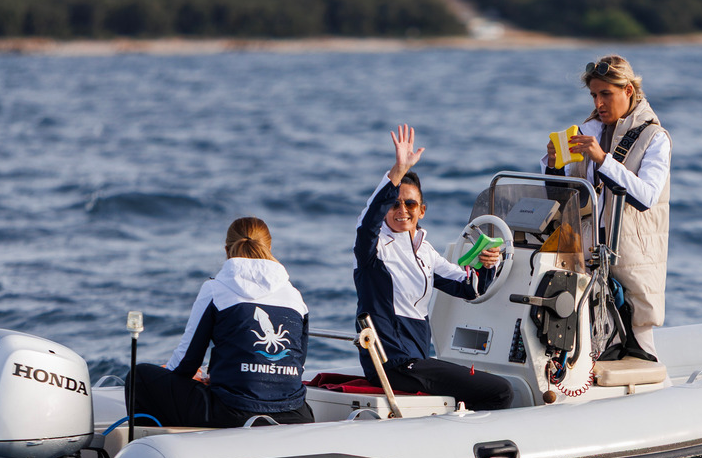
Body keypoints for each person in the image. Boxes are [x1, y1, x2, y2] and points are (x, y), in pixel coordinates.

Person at [353, 124, 513, 410]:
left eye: (410, 204)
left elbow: (470, 288)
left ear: (422, 210)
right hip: (392, 363)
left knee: (489, 388)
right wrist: (398, 170)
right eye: (394, 204)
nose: (402, 210)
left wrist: (489, 262)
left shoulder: (425, 252)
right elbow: (367, 221)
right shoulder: (374, 248)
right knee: (500, 391)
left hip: (415, 362)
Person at [542, 55, 671, 362]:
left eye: (606, 94)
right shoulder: (586, 132)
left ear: (629, 90)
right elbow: (563, 199)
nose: (598, 103)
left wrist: (602, 160)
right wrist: (553, 165)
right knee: (583, 338)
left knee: (639, 339)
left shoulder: (656, 138)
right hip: (586, 254)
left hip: (633, 256)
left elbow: (645, 196)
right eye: (594, 95)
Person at [127, 217, 314, 427]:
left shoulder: (215, 290)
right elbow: (298, 365)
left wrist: (177, 374)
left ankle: (151, 445)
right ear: (269, 248)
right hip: (296, 413)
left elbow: (186, 364)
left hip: (232, 413)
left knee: (140, 377)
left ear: (227, 250)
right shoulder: (294, 296)